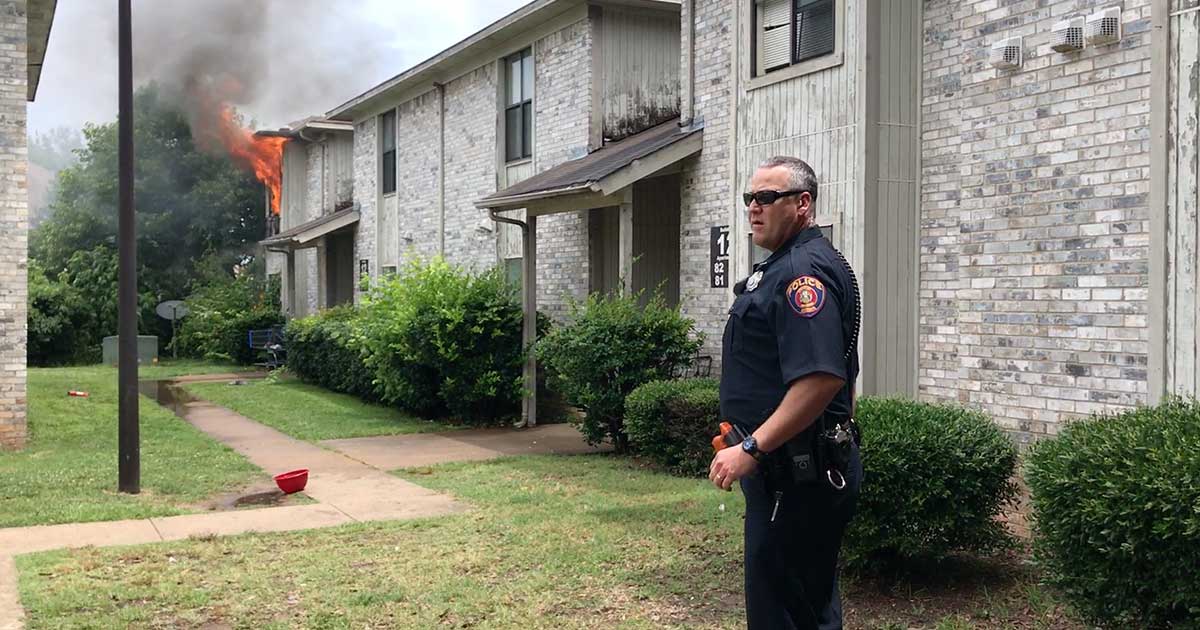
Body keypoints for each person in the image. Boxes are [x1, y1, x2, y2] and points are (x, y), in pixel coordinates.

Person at [708, 156, 863, 630]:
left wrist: (754, 446)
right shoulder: (784, 264)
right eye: (750, 198)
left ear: (802, 204)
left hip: (796, 475)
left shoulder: (801, 275)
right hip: (794, 469)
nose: (754, 207)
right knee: (804, 605)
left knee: (785, 614)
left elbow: (821, 378)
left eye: (767, 197)